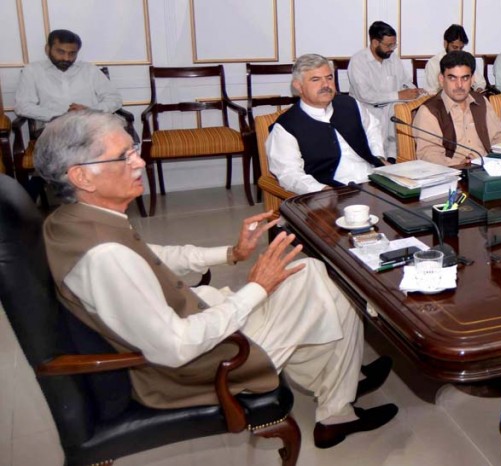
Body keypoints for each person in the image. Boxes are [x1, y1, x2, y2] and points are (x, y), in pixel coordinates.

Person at [34, 110, 398, 450]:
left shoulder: (75, 218)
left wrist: (231, 253)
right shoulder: (104, 257)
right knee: (332, 283)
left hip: (200, 326)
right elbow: (175, 347)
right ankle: (338, 402)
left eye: (134, 151)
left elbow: (153, 255)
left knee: (314, 272)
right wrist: (256, 288)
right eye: (124, 156)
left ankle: (338, 386)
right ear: (81, 176)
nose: (140, 162)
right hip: (205, 366)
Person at [267, 54, 385, 194]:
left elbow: (372, 128)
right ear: (298, 86)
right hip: (334, 192)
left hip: (374, 180)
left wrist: (379, 157)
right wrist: (321, 190)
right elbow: (289, 174)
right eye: (315, 79)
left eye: (329, 78)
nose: (326, 85)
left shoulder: (350, 104)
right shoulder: (286, 126)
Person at [348, 21, 426, 160]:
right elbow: (365, 95)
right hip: (367, 112)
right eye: (389, 45)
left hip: (391, 111)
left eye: (394, 45)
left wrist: (415, 91)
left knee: (395, 152)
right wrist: (398, 95)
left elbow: (405, 82)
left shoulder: (393, 58)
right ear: (375, 43)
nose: (392, 49)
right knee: (373, 157)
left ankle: (394, 161)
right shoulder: (358, 61)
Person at [413, 51, 501, 166]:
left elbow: (498, 138)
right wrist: (459, 164)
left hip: (487, 169)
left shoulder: (481, 101)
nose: (459, 85)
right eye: (452, 78)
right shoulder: (429, 111)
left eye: (465, 78)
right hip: (452, 173)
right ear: (442, 80)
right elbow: (428, 154)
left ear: (472, 80)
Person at [15, 29, 123, 123]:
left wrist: (89, 111)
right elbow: (23, 106)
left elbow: (114, 99)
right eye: (61, 52)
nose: (66, 58)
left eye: (72, 53)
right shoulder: (32, 71)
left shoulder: (90, 70)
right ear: (47, 49)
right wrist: (61, 116)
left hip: (91, 128)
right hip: (54, 130)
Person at [423, 24, 486, 93]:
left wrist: (478, 91)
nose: (458, 51)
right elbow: (431, 91)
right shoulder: (433, 63)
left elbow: (480, 82)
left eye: (461, 48)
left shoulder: (468, 59)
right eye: (455, 47)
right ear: (445, 44)